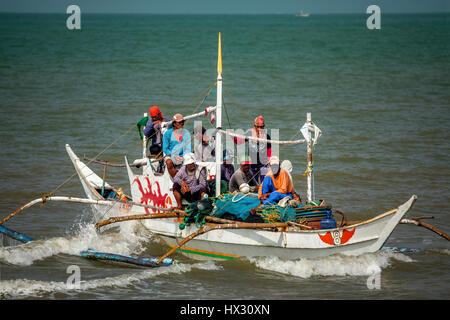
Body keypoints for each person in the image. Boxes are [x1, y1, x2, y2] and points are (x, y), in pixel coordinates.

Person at [232, 115, 272, 184]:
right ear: (254, 126)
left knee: (265, 183)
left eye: (262, 127)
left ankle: (264, 194)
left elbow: (269, 151)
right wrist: (234, 137)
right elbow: (239, 141)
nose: (260, 129)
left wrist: (269, 163)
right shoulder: (250, 133)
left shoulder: (267, 136)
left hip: (263, 165)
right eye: (258, 127)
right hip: (252, 165)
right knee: (252, 184)